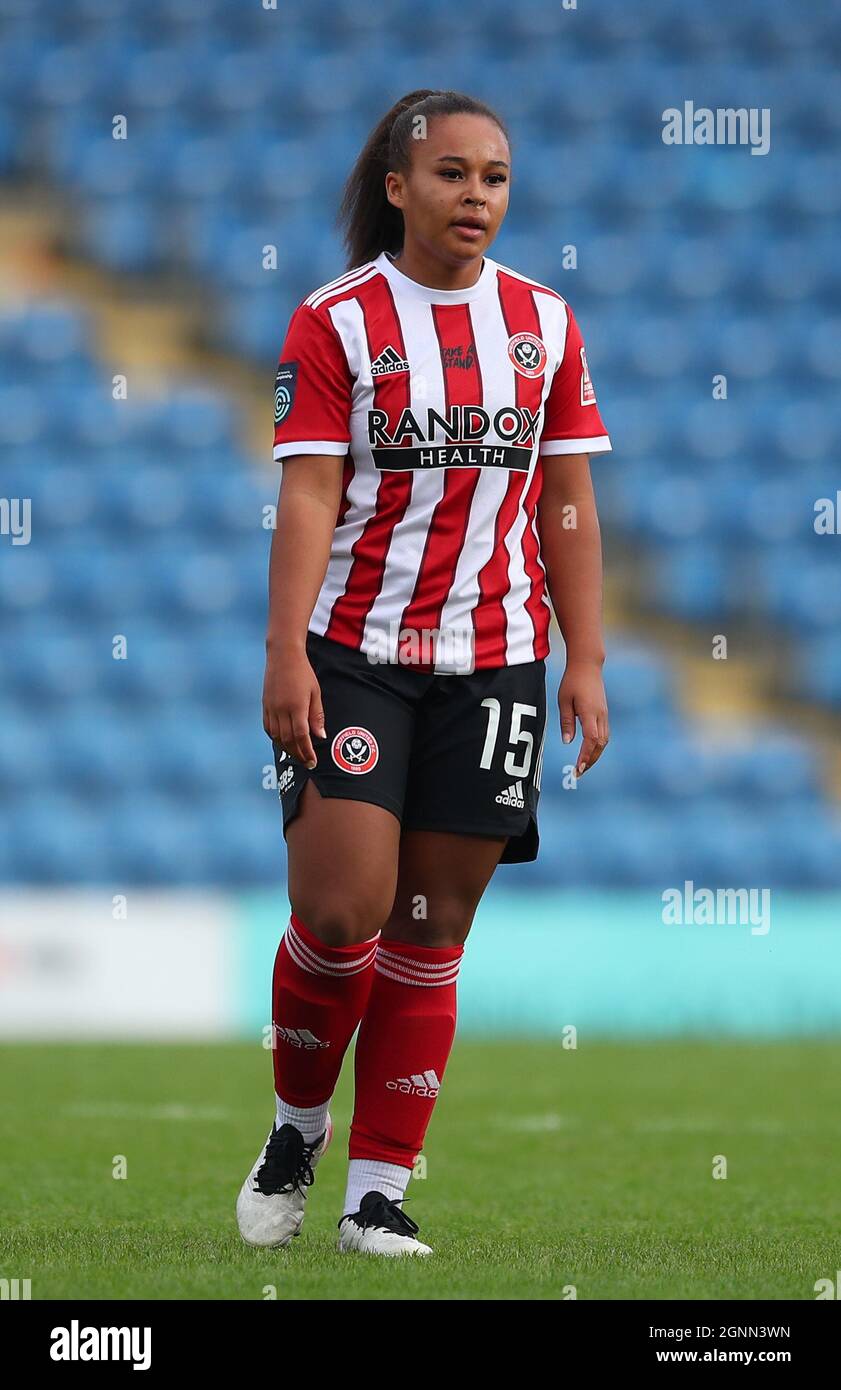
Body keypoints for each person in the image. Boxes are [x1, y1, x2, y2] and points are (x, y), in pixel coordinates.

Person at [236, 88, 612, 1258]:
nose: (476, 197)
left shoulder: (543, 324)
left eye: (494, 177)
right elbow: (306, 491)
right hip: (356, 655)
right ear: (398, 187)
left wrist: (584, 658)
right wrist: (284, 647)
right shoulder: (338, 319)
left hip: (494, 661)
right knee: (341, 908)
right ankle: (298, 1126)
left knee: (430, 924)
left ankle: (377, 1193)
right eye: (452, 174)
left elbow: (567, 500)